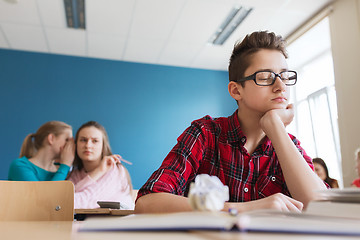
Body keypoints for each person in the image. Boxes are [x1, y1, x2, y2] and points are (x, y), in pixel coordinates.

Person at [135, 31, 327, 214]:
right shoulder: (206, 133)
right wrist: (246, 210)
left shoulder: (288, 145)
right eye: (265, 78)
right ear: (236, 91)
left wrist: (276, 127)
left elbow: (322, 208)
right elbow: (147, 202)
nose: (280, 86)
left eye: (284, 76)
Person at [67, 121, 134, 209]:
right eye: (83, 140)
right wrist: (98, 172)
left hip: (119, 222)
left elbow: (79, 202)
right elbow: (64, 199)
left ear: (103, 146)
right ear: (76, 144)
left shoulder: (115, 169)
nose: (88, 145)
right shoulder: (75, 174)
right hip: (89, 222)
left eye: (95, 141)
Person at [8, 121, 75, 181]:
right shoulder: (20, 166)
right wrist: (65, 166)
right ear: (51, 138)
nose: (70, 145)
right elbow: (42, 194)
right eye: (67, 140)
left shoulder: (61, 170)